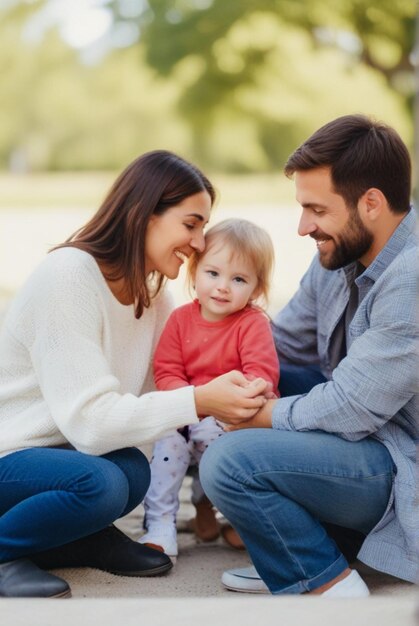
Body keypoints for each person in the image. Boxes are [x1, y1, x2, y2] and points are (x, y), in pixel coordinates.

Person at [0, 151, 269, 599]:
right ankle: (5, 552)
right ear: (145, 214)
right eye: (191, 224)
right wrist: (201, 399)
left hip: (68, 459)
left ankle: (78, 537)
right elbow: (90, 422)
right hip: (14, 454)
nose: (200, 242)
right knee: (100, 483)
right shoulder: (67, 277)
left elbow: (158, 400)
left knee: (131, 472)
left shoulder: (155, 298)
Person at [200, 114, 419, 597]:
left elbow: (349, 407)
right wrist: (201, 379)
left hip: (404, 457)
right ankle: (291, 550)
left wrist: (255, 414)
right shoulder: (340, 253)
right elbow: (279, 346)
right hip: (369, 433)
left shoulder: (412, 276)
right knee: (244, 377)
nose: (303, 227)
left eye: (316, 210)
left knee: (229, 462)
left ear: (372, 203)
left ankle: (322, 580)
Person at [138, 218, 279, 558]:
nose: (223, 287)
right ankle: (160, 523)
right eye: (213, 274)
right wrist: (191, 408)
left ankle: (230, 515)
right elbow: (167, 371)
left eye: (239, 279)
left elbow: (261, 373)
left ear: (257, 289)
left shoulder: (252, 324)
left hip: (231, 419)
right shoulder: (180, 319)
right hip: (186, 415)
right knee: (166, 442)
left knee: (231, 448)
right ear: (195, 271)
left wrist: (231, 407)